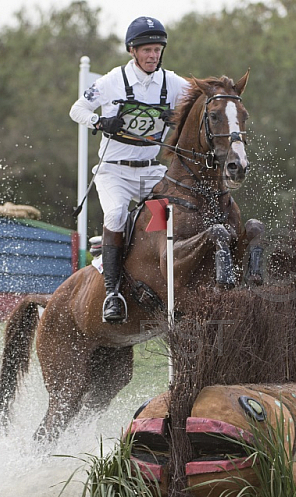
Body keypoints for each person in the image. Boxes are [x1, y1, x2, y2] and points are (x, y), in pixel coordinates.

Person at [70, 16, 189, 323]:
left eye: (157, 49)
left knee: (168, 221)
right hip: (114, 173)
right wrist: (99, 122)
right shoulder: (112, 81)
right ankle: (112, 293)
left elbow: (200, 103)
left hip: (151, 172)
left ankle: (170, 285)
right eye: (147, 50)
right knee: (115, 216)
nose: (153, 55)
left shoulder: (173, 83)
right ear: (133, 51)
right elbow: (76, 109)